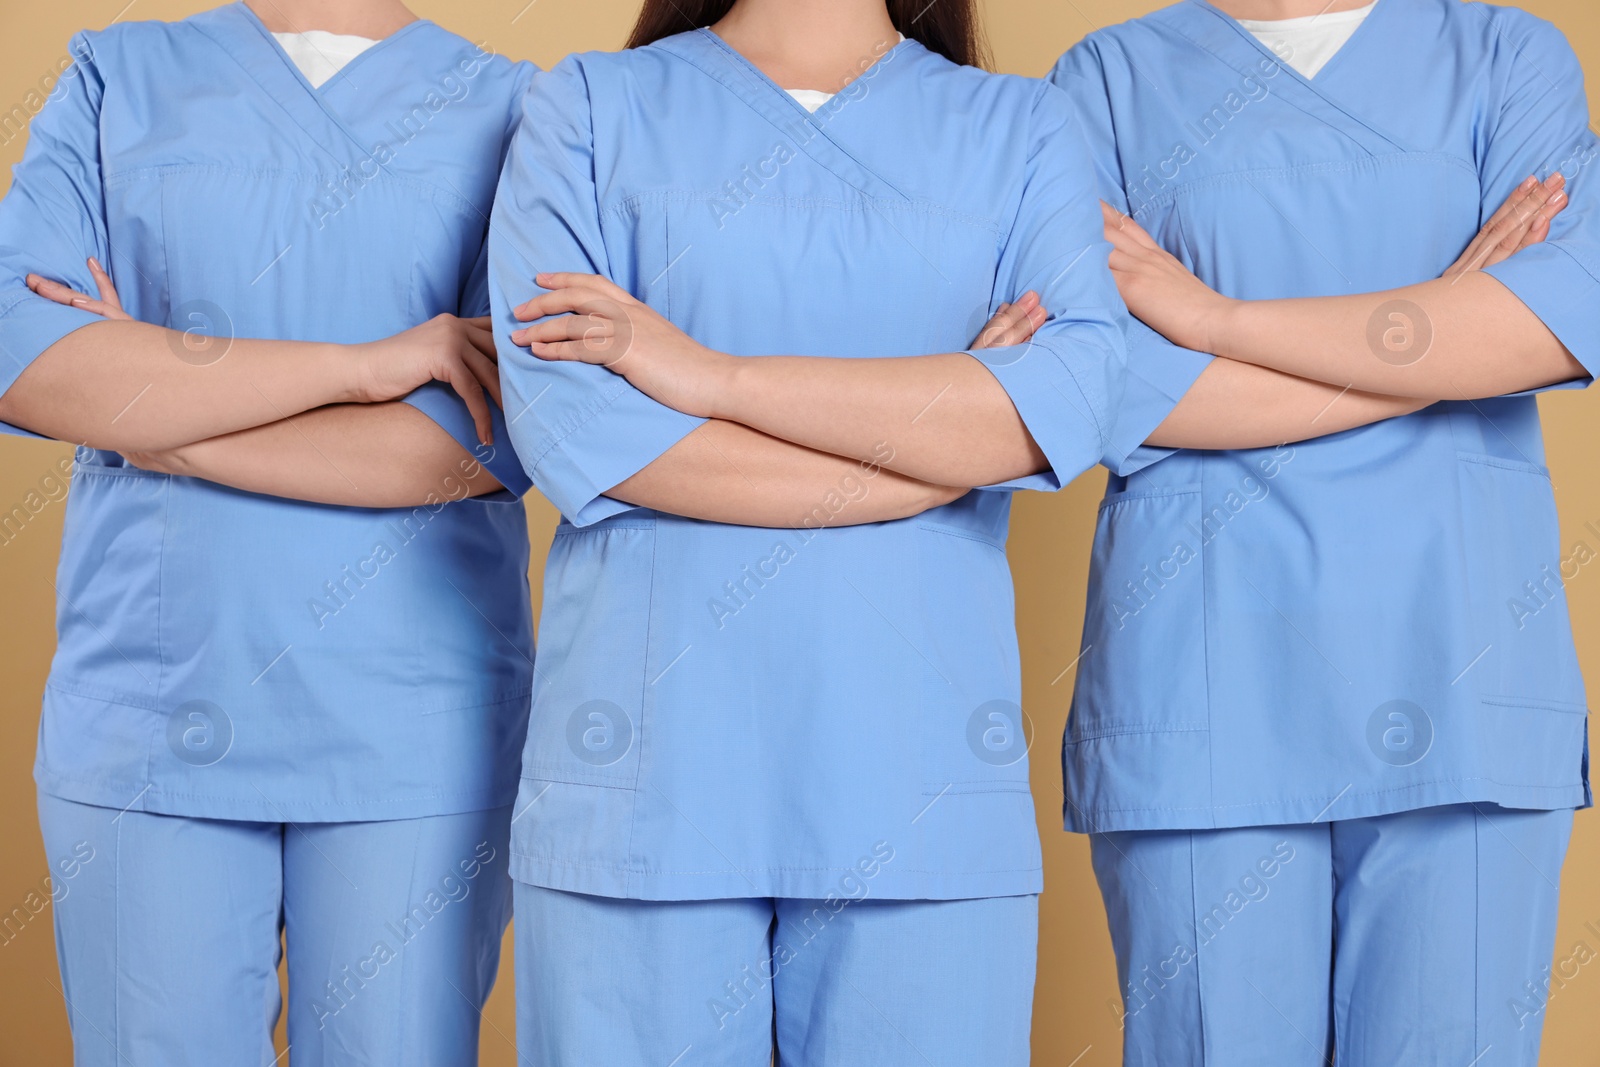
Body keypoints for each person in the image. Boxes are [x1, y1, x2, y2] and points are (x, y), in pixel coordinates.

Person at [485, 0, 1125, 1061]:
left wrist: (710, 375)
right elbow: (578, 427)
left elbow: (1062, 399)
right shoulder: (588, 109)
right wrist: (926, 453)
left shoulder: (1021, 128)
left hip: (914, 787)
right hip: (651, 785)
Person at [1049, 0, 1597, 1062]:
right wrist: (1438, 320)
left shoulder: (1503, 56)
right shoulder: (1105, 83)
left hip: (1458, 666)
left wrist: (1217, 322)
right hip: (1209, 681)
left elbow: (1552, 315)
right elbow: (1103, 387)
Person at [0, 1, 536, 1063]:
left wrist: (160, 420)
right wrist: (367, 366)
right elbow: (30, 360)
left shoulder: (512, 106)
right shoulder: (118, 75)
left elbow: (476, 446)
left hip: (411, 720)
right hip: (154, 697)